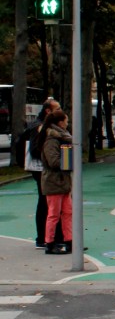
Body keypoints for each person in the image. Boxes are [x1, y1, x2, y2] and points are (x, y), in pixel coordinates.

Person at [24, 98, 64, 248]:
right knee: (47, 202)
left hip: (42, 168)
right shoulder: (40, 127)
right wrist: (50, 156)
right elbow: (35, 149)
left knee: (48, 202)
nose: (60, 111)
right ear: (48, 111)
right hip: (42, 169)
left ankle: (50, 236)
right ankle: (45, 237)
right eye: (57, 108)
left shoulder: (41, 125)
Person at [39, 109, 74, 254]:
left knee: (67, 212)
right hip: (54, 180)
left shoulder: (61, 138)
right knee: (54, 213)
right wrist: (68, 161)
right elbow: (53, 161)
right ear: (60, 123)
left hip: (62, 180)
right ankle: (50, 242)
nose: (67, 123)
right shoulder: (52, 140)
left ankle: (69, 240)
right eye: (66, 121)